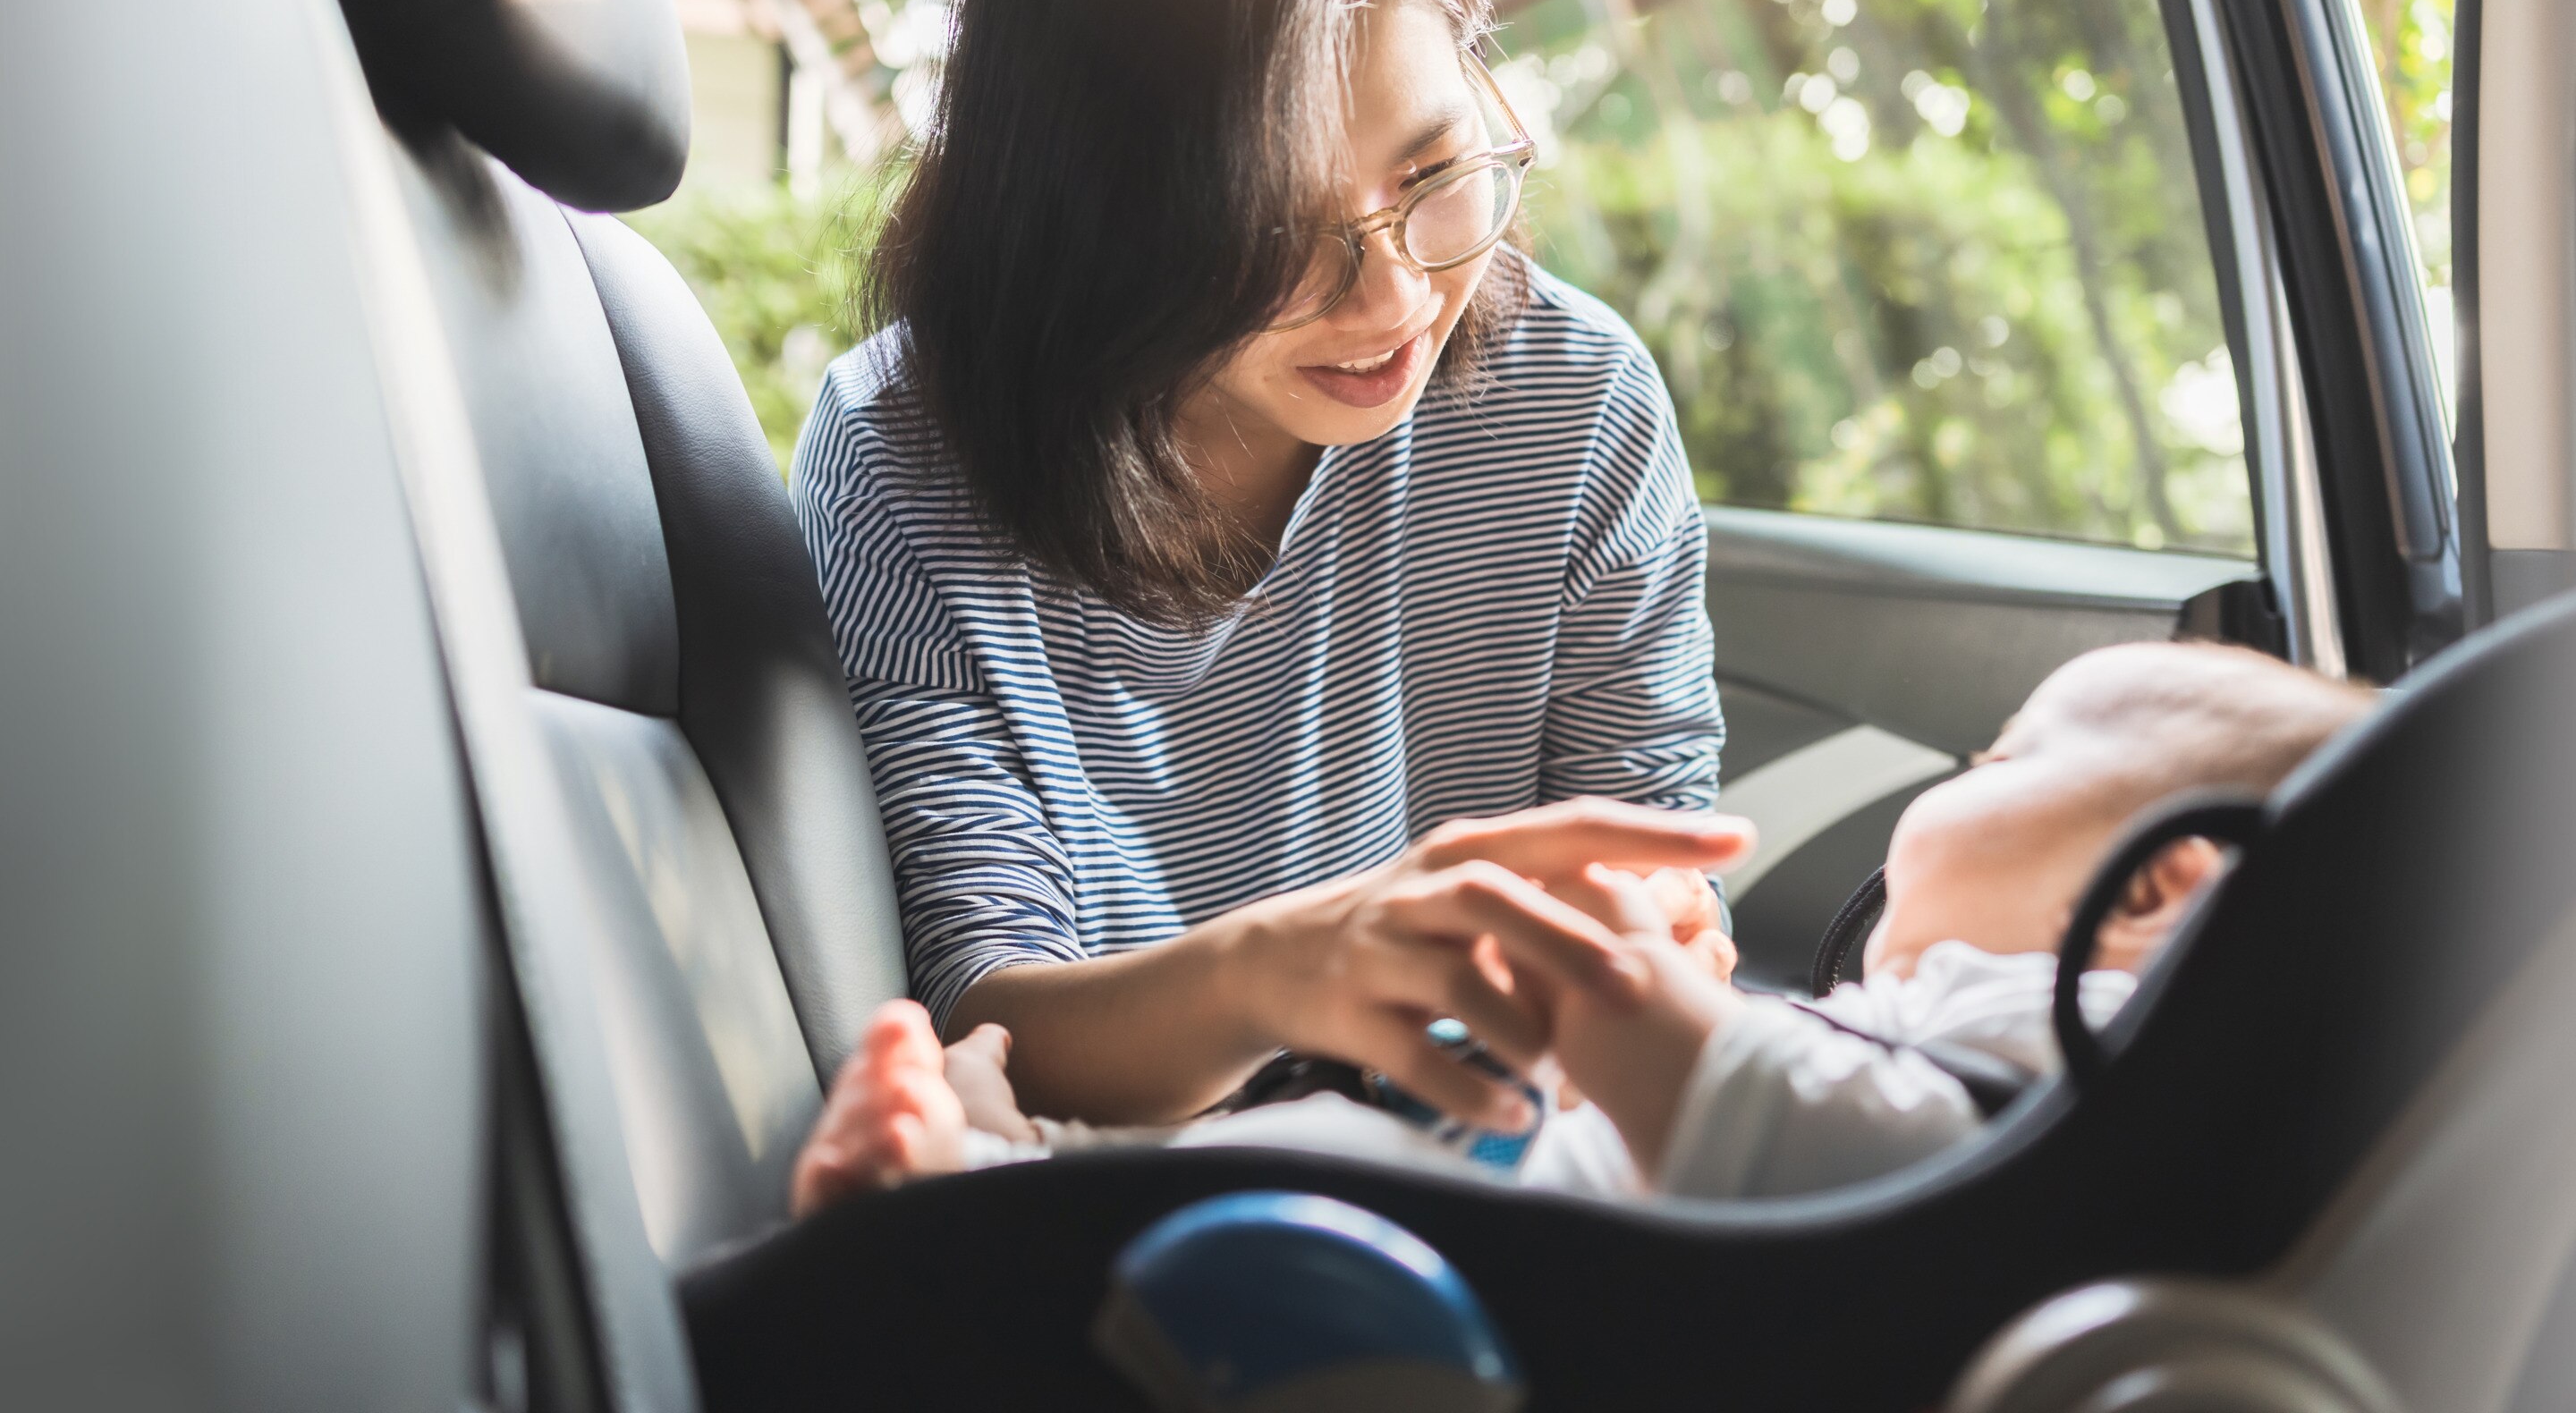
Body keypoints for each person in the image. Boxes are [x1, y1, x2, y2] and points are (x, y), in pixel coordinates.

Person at [789, 0, 1735, 1145]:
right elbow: (987, 1013)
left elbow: (1660, 859)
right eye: (1271, 233)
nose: (1395, 297)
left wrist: (1655, 931)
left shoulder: (1576, 400)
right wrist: (1285, 976)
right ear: (1092, 221)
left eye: (1435, 173)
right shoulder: (900, 462)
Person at [788, 642, 2373, 1213]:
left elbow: (1890, 1174)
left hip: (1563, 1315)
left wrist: (1624, 1002)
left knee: (1316, 1201)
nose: (1962, 773)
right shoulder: (2028, 1033)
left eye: (2007, 761)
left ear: (2163, 882)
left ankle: (966, 1218)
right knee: (1332, 1158)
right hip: (1562, 1233)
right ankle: (995, 1190)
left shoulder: (2085, 1052)